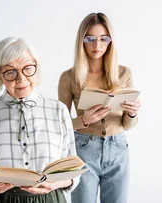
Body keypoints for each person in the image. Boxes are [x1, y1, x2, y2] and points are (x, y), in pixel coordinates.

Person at [0, 37, 78, 203]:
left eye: (28, 68)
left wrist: (57, 183)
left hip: (49, 198)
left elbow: (72, 171)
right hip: (0, 199)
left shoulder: (58, 110)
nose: (21, 79)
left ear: (36, 66)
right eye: (10, 72)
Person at [58, 12, 140, 203]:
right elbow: (59, 125)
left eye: (104, 39)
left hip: (118, 147)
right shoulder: (69, 77)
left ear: (110, 41)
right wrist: (84, 120)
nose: (97, 45)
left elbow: (127, 125)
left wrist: (132, 112)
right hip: (83, 149)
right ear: (82, 41)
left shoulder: (123, 73)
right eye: (90, 39)